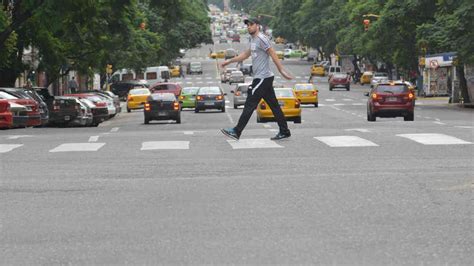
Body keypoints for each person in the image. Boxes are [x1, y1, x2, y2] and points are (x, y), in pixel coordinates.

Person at [220, 17, 294, 141]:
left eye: (251, 24)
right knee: (274, 106)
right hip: (264, 78)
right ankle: (284, 131)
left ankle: (237, 131)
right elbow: (245, 54)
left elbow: (272, 53)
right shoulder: (253, 40)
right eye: (247, 25)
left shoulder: (261, 38)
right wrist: (229, 61)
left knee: (250, 103)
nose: (249, 26)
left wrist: (281, 70)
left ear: (257, 26)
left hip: (262, 78)